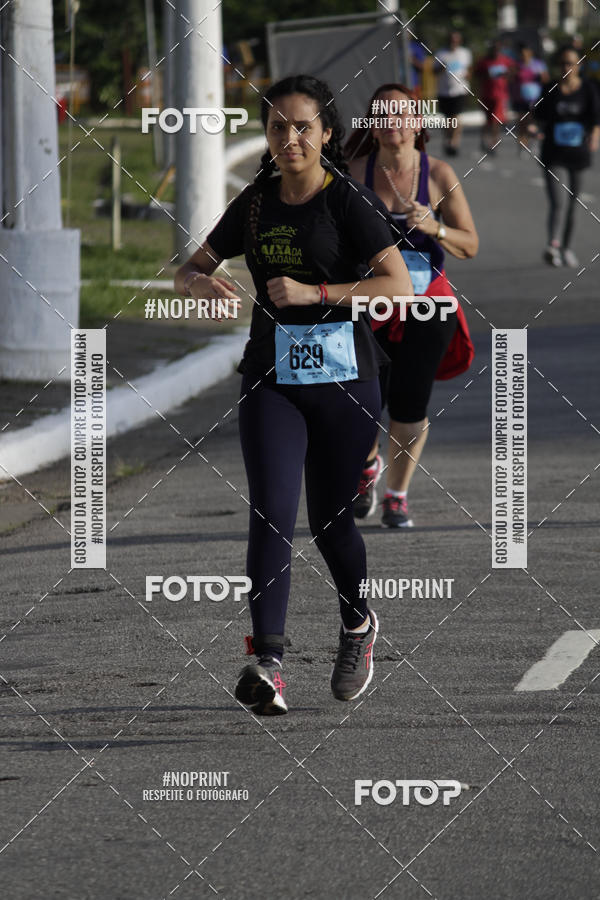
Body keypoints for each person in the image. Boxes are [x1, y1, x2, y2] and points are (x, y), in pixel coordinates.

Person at [174, 75, 412, 714]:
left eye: (304, 126)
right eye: (278, 126)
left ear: (327, 133)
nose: (290, 138)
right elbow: (192, 265)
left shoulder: (347, 203)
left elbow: (398, 286)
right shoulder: (255, 202)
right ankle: (268, 661)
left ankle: (358, 623)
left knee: (332, 522)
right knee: (272, 512)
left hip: (344, 382)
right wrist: (199, 283)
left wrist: (319, 295)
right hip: (272, 380)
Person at [345, 83, 479, 528]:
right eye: (380, 114)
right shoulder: (353, 171)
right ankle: (366, 466)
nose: (391, 123)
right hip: (371, 303)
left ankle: (396, 496)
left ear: (417, 123)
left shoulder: (438, 174)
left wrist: (436, 228)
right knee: (361, 401)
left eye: (400, 114)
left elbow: (470, 245)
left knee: (409, 404)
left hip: (427, 306)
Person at [535, 45, 600, 267]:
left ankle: (566, 247)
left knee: (574, 202)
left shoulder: (588, 90)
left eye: (570, 63)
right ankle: (552, 245)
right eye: (562, 63)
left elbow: (595, 119)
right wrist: (533, 129)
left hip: (578, 153)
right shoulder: (550, 89)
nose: (566, 67)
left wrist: (594, 136)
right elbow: (537, 116)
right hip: (553, 154)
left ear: (579, 66)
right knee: (557, 201)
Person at [435, 31, 472, 156]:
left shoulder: (464, 53)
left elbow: (468, 69)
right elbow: (434, 72)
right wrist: (441, 67)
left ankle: (454, 143)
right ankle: (447, 139)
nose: (454, 43)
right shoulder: (441, 53)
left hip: (459, 90)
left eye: (456, 40)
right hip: (444, 91)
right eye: (452, 40)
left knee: (456, 117)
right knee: (447, 119)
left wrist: (467, 75)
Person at [475, 39, 516, 152]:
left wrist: (507, 75)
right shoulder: (484, 61)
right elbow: (476, 74)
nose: (496, 51)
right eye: (494, 49)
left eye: (498, 49)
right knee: (488, 120)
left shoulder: (505, 60)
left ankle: (494, 141)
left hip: (500, 95)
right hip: (487, 94)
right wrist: (486, 75)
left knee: (495, 120)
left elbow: (514, 71)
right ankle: (484, 139)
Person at [512, 43, 548, 150]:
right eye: (522, 54)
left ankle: (533, 139)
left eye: (526, 53)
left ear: (530, 53)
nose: (524, 56)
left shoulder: (538, 64)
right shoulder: (517, 65)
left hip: (535, 98)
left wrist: (540, 77)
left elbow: (546, 79)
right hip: (520, 98)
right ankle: (522, 145)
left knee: (532, 121)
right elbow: (511, 79)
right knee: (522, 122)